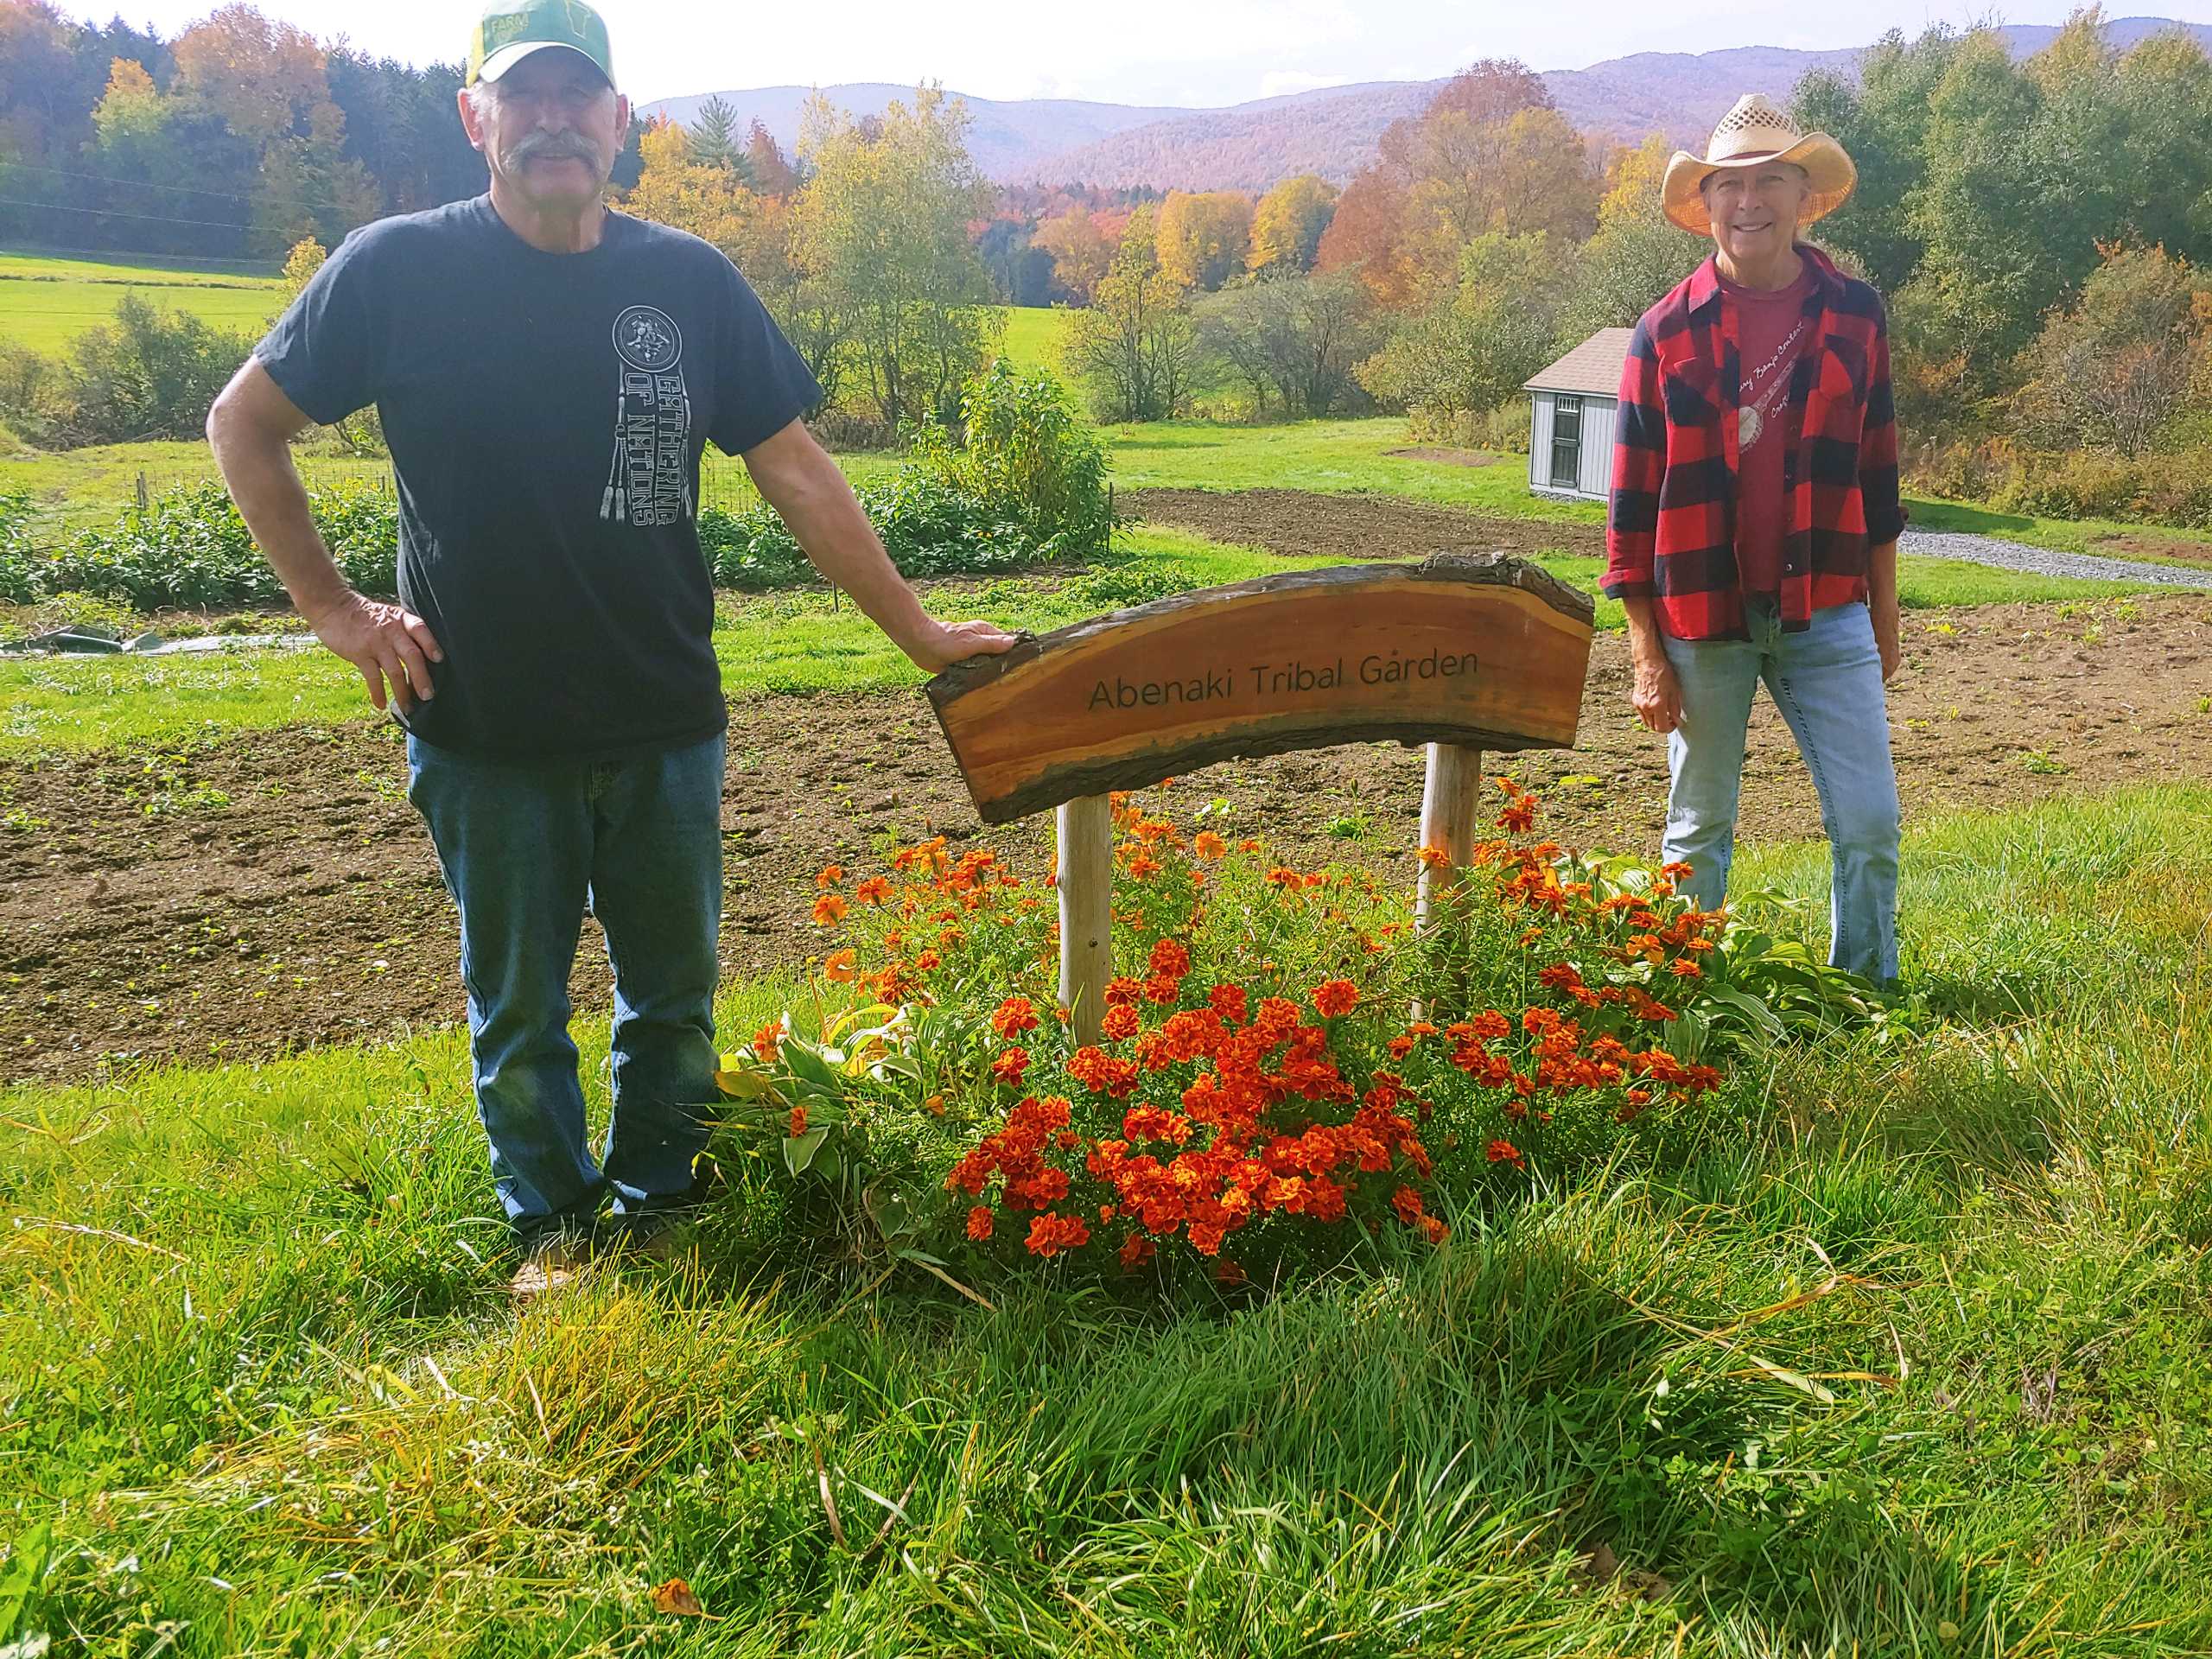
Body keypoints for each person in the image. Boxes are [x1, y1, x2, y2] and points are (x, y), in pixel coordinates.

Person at [206, 0, 1016, 1296]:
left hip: (663, 720)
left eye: (576, 98)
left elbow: (796, 469)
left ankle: (662, 1214)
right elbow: (244, 423)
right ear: (476, 120)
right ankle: (552, 1233)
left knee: (677, 1008)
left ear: (619, 121)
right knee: (521, 1016)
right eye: (520, 99)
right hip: (485, 728)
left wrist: (916, 629)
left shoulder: (687, 281)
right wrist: (336, 614)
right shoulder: (396, 270)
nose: (551, 122)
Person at [1603, 93, 1905, 986]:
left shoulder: (1855, 312)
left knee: (1870, 823)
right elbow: (1629, 504)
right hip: (1701, 614)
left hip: (1827, 608)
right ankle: (1684, 1004)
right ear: (1705, 204)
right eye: (1729, 185)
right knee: (1698, 829)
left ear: (1803, 196)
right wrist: (1643, 650)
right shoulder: (1664, 330)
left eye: (1769, 181)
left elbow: (1879, 476)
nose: (1748, 202)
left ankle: (1866, 994)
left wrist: (1884, 611)